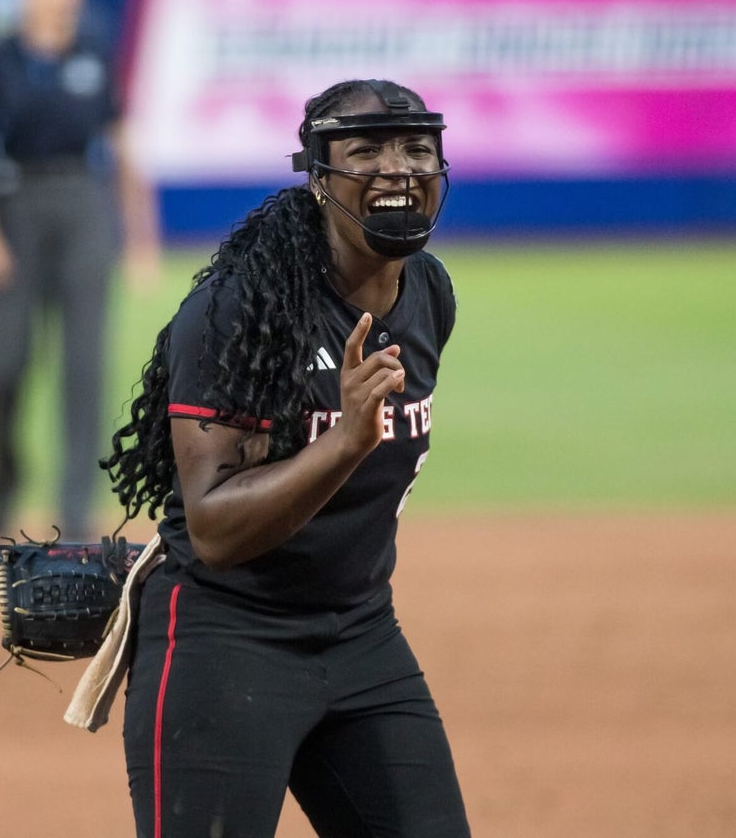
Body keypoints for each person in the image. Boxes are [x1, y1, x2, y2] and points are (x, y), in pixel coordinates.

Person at [100, 79, 471, 837]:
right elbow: (212, 527)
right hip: (224, 640)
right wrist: (344, 439)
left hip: (362, 632)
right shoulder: (241, 309)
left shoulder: (430, 292)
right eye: (364, 150)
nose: (396, 167)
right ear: (318, 177)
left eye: (415, 148)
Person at [0, 0, 160, 540]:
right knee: (5, 362)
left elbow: (124, 147)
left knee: (84, 363)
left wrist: (139, 237)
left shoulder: (92, 55)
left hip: (83, 204)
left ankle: (75, 509)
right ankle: (4, 479)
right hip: (17, 205)